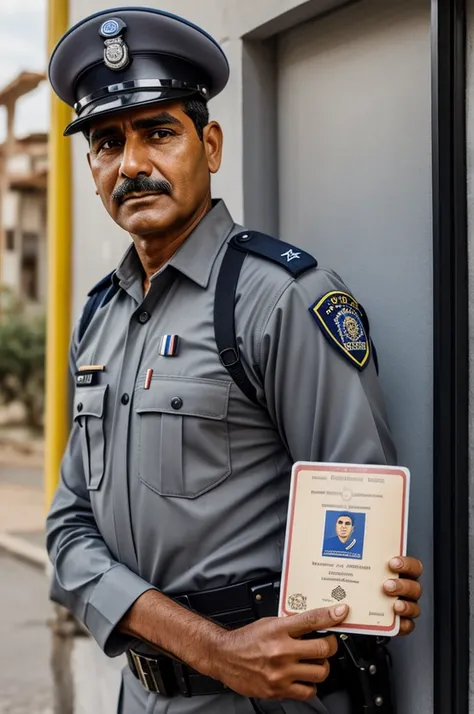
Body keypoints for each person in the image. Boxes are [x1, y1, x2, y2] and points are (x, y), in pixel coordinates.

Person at [46, 7, 423, 714]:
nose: (132, 165)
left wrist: (374, 589)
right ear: (92, 167)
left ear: (209, 145)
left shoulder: (280, 299)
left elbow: (359, 542)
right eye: (106, 143)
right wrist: (206, 646)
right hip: (142, 694)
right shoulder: (98, 318)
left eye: (159, 132)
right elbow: (68, 532)